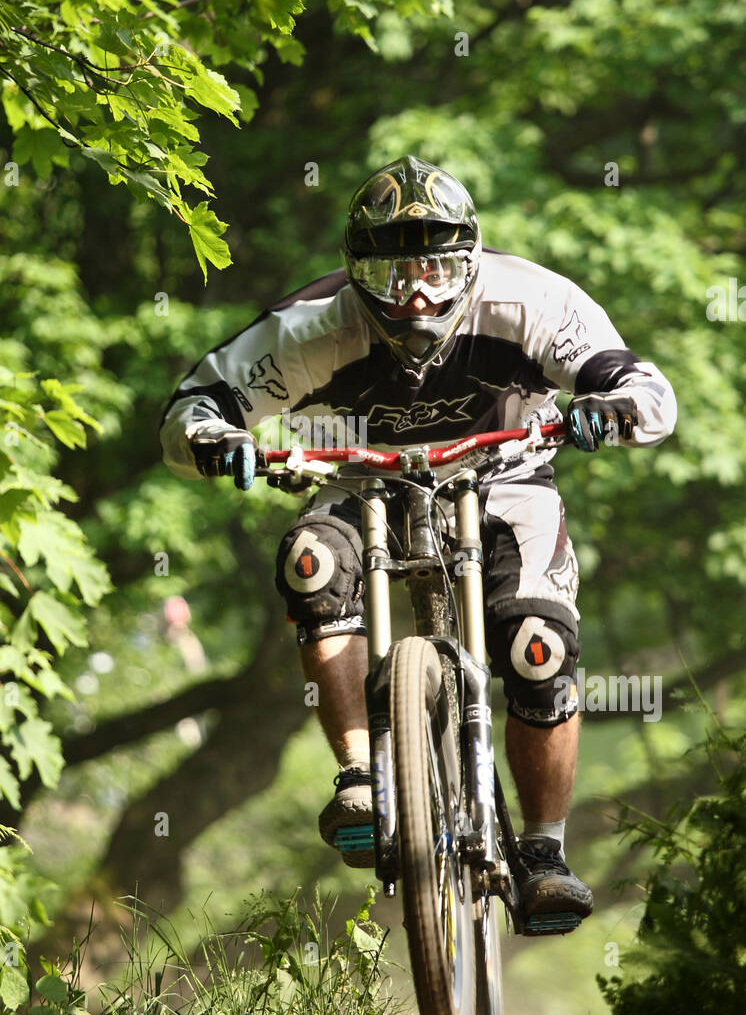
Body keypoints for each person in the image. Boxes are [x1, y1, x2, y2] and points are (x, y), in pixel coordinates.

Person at [159, 156, 676, 927]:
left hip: (506, 478)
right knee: (310, 566)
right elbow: (191, 409)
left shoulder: (529, 299)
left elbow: (650, 391)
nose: (416, 292)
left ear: (468, 257)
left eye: (434, 266)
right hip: (361, 479)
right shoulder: (312, 325)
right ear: (352, 268)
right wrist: (217, 440)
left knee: (539, 647)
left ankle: (543, 850)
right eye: (391, 270)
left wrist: (613, 407)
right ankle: (361, 777)